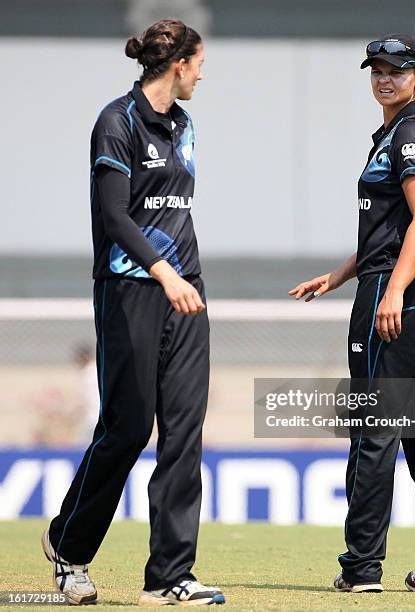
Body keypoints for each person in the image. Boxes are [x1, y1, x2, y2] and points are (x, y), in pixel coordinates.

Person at [41, 19, 225, 607]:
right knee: (127, 429)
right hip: (131, 289)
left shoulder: (184, 123)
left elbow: (175, 211)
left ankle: (170, 576)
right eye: (198, 63)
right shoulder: (115, 122)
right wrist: (161, 271)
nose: (203, 72)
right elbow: (115, 216)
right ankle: (68, 550)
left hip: (185, 291)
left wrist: (182, 276)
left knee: (184, 433)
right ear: (177, 65)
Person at [289, 35, 415, 594]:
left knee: (373, 428)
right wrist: (340, 275)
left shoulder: (411, 132)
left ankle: (362, 570)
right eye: (377, 70)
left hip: (405, 294)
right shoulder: (398, 133)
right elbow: (390, 230)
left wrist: (390, 292)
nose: (385, 79)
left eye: (398, 70)